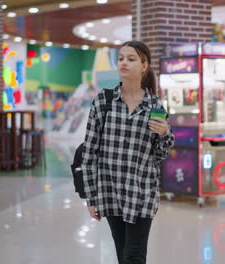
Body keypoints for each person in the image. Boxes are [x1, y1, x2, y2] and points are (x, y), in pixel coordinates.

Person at [81, 41, 175, 264]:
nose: (124, 62)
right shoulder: (103, 102)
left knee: (134, 255)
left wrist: (165, 133)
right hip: (110, 190)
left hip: (141, 192)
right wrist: (90, 197)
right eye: (121, 58)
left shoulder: (155, 107)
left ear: (144, 65)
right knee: (123, 253)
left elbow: (159, 154)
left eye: (131, 59)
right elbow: (89, 153)